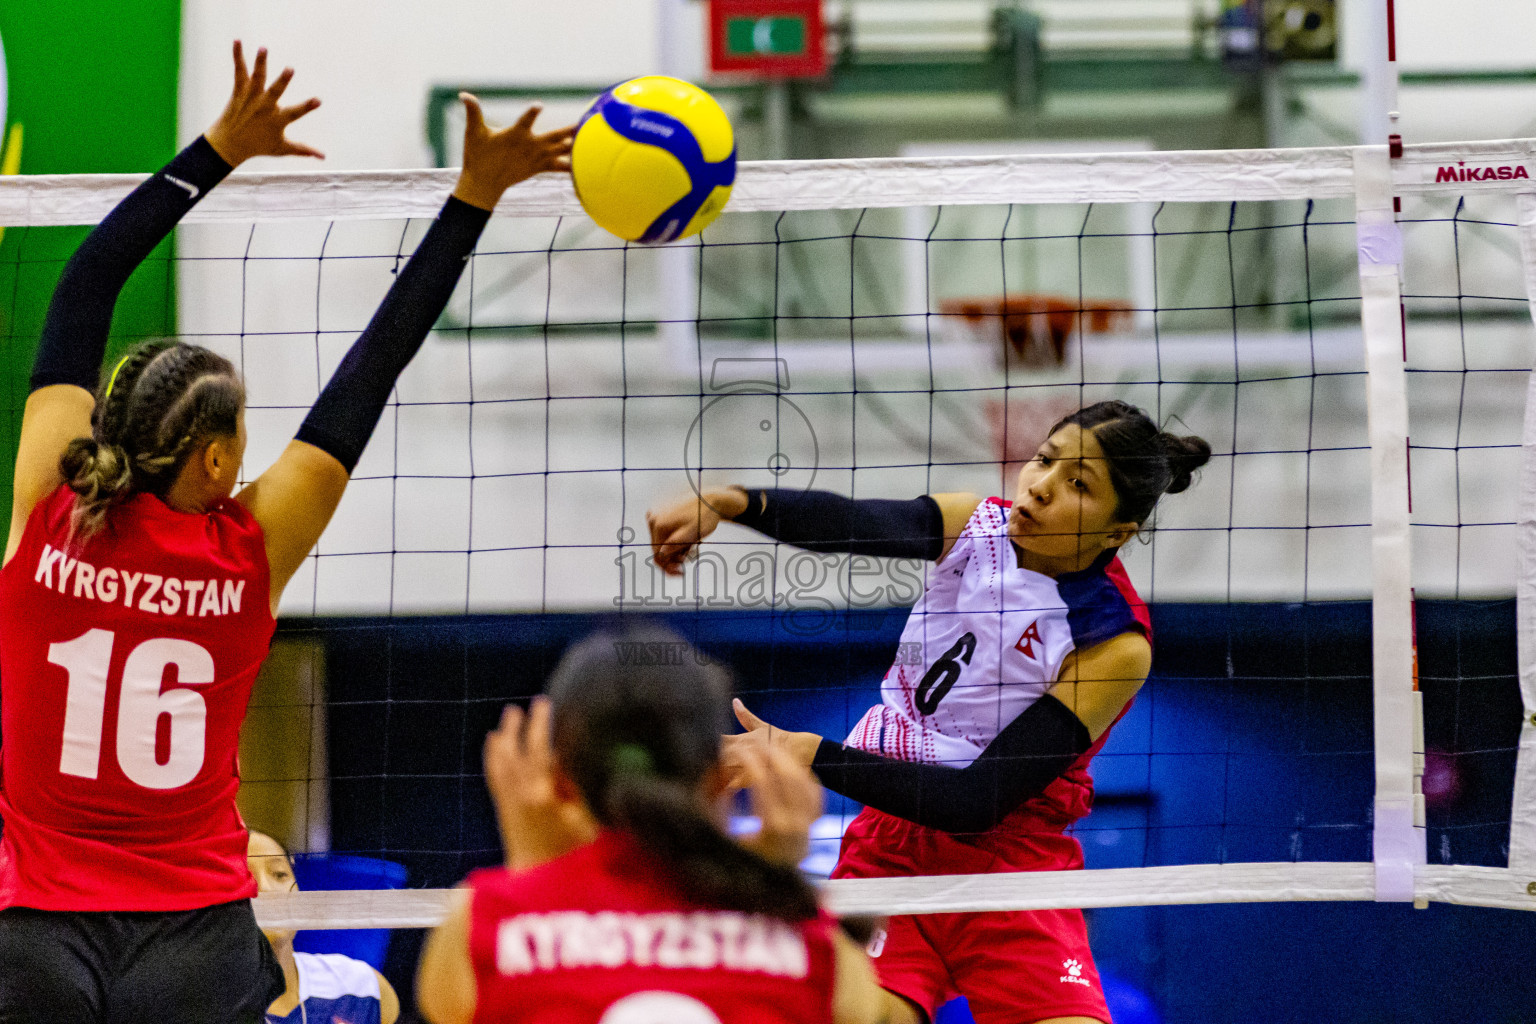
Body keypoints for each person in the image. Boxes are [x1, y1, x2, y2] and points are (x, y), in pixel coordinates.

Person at [0, 41, 573, 1024]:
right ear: (217, 462)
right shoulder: (247, 552)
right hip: (191, 937)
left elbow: (85, 280)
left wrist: (214, 149)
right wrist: (474, 194)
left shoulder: (50, 512)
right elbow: (371, 371)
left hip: (35, 927)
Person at [645, 401, 1211, 1024]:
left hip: (1012, 865)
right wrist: (733, 502)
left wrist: (812, 754)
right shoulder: (975, 525)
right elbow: (855, 523)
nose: (1042, 485)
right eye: (1046, 460)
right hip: (891, 845)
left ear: (1116, 532)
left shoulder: (1114, 641)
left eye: (1078, 483)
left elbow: (978, 799)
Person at [415, 626, 904, 1024]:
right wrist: (778, 872)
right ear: (719, 778)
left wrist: (530, 871)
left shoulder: (482, 926)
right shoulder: (814, 942)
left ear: (560, 779)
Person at [247, 830, 401, 1024]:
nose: (266, 888)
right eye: (245, 878)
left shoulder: (363, 989)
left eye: (280, 874)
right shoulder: (206, 1002)